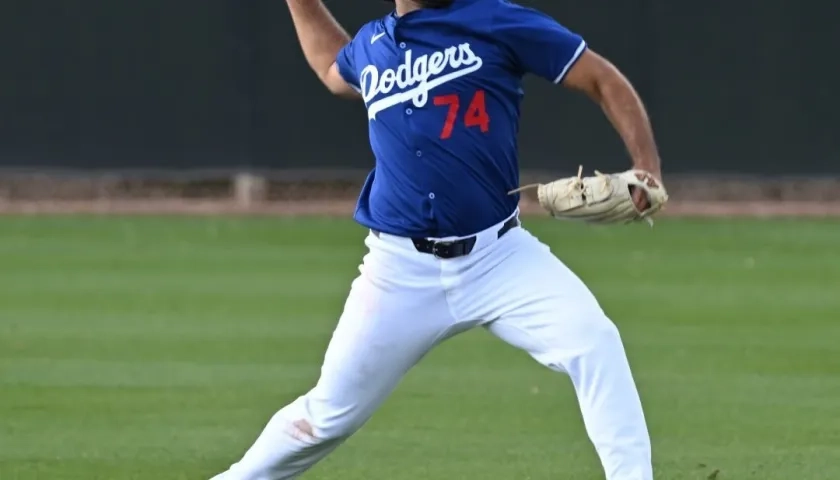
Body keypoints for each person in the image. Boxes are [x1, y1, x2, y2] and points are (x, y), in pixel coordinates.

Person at [211, 0, 663, 478]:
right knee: (325, 417)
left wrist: (646, 166)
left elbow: (600, 77)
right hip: (398, 273)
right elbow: (331, 65)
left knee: (594, 342)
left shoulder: (494, 21)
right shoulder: (372, 45)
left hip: (500, 258)